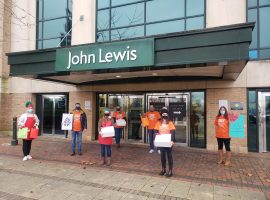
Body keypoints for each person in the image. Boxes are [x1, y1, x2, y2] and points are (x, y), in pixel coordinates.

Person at [154, 107, 176, 177]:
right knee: (162, 156)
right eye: (163, 114)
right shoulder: (158, 122)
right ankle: (163, 169)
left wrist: (171, 140)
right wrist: (156, 135)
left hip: (168, 142)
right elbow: (155, 131)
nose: (164, 115)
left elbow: (173, 132)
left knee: (169, 156)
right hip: (161, 142)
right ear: (161, 115)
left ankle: (170, 171)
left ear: (167, 115)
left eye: (165, 114)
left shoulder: (170, 122)